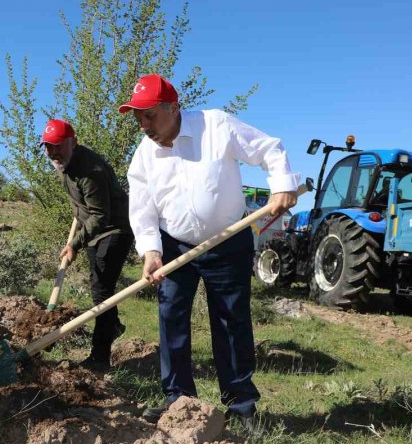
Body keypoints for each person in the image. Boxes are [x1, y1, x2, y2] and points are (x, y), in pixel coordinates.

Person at [120, 74, 299, 425]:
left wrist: (281, 186)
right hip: (174, 246)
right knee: (171, 319)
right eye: (138, 117)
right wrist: (151, 252)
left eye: (149, 115)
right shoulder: (144, 154)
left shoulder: (217, 126)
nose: (143, 125)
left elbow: (268, 149)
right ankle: (179, 403)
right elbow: (142, 208)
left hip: (227, 242)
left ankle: (241, 406)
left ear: (173, 108)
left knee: (230, 320)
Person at [42, 119, 133, 370]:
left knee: (102, 291)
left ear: (73, 142)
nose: (53, 152)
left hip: (114, 229)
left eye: (58, 145)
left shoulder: (89, 170)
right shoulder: (64, 164)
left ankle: (100, 357)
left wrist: (75, 243)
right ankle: (112, 326)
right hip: (94, 230)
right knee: (99, 286)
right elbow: (82, 204)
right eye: (48, 146)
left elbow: (100, 215)